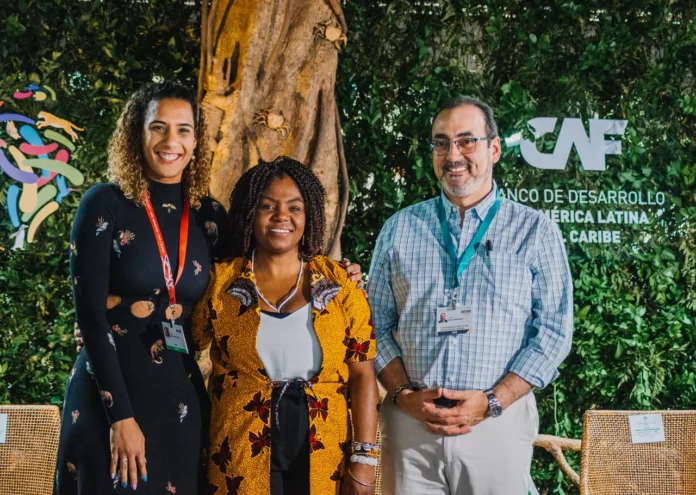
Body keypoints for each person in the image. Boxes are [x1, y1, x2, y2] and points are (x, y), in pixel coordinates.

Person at [368, 96, 573, 495]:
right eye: (441, 143)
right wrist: (402, 395)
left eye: (467, 141)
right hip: (411, 428)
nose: (453, 154)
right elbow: (374, 323)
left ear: (494, 148)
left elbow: (553, 333)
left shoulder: (535, 232)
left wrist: (493, 401)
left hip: (496, 425)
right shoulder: (400, 229)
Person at [54, 81, 223, 494]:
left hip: (180, 401)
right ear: (137, 133)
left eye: (184, 130)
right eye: (158, 127)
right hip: (109, 398)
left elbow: (266, 268)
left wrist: (333, 271)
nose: (171, 141)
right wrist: (121, 419)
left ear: (197, 140)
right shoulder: (104, 203)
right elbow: (91, 317)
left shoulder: (210, 216)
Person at [191, 156, 379, 495]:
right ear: (250, 212)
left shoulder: (340, 285)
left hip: (325, 446)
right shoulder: (219, 284)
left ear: (309, 216)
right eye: (268, 206)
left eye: (295, 207)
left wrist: (364, 458)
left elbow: (363, 373)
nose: (282, 217)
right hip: (239, 446)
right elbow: (182, 346)